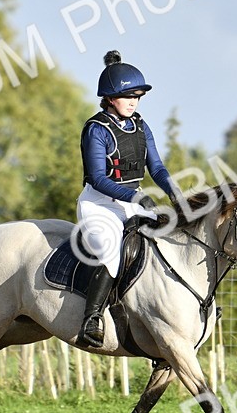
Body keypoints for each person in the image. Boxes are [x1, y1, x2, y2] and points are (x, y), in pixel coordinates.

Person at [75, 49, 180, 348]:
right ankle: (92, 319)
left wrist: (175, 193)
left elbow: (156, 168)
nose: (133, 102)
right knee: (111, 253)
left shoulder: (140, 126)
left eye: (137, 96)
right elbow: (98, 178)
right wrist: (136, 196)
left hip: (132, 202)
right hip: (99, 205)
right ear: (110, 98)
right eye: (127, 96)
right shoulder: (96, 130)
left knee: (169, 239)